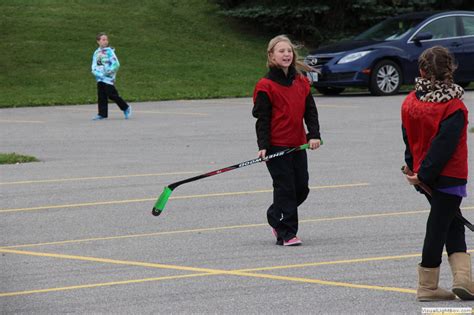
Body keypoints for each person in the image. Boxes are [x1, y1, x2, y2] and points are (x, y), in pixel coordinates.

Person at [401, 45, 472, 301]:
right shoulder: (454, 107)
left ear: (422, 70)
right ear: (450, 70)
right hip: (447, 175)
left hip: (423, 173)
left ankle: (463, 280)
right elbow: (444, 146)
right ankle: (428, 287)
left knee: (451, 222)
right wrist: (424, 174)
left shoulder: (410, 101)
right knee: (439, 226)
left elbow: (407, 137)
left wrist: (414, 167)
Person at [252, 35, 321, 246]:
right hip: (276, 147)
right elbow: (262, 119)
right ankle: (287, 233)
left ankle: (275, 214)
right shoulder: (265, 85)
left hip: (298, 144)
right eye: (281, 51)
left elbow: (310, 110)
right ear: (271, 55)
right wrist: (263, 146)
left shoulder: (301, 82)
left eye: (289, 51)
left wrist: (314, 134)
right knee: (286, 189)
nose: (286, 54)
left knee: (301, 188)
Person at [91, 32, 131, 120]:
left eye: (106, 40)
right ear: (98, 41)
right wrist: (96, 72)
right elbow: (96, 65)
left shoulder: (109, 52)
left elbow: (116, 64)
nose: (105, 41)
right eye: (103, 40)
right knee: (101, 96)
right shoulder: (97, 53)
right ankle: (102, 114)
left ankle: (126, 107)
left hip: (108, 79)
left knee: (112, 95)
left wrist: (108, 72)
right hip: (100, 78)